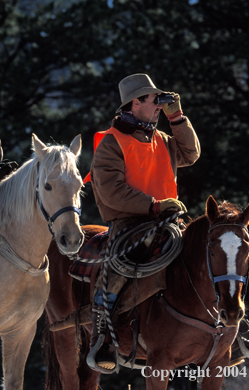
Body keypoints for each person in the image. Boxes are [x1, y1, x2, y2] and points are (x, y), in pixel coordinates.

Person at [85, 73, 200, 373]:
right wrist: (153, 205)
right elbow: (112, 190)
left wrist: (178, 118)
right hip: (130, 223)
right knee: (120, 267)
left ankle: (224, 325)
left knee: (207, 255)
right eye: (155, 100)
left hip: (168, 221)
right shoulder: (111, 143)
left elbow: (191, 153)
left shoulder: (162, 138)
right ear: (135, 103)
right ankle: (102, 336)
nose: (160, 106)